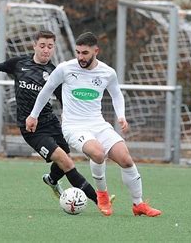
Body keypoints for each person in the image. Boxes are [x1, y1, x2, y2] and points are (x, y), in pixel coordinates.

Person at [0, 30, 100, 206]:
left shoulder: (54, 72)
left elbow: (63, 99)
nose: (46, 50)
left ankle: (51, 179)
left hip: (51, 122)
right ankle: (99, 200)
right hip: (31, 128)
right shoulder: (19, 63)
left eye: (50, 46)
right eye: (42, 46)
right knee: (65, 161)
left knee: (64, 156)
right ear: (34, 45)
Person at [26, 32, 162, 217]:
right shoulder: (65, 68)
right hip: (74, 126)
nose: (80, 57)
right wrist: (33, 116)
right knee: (98, 153)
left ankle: (138, 204)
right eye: (78, 52)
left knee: (125, 158)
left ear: (96, 51)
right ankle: (102, 195)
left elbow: (116, 94)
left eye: (85, 53)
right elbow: (46, 90)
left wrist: (121, 116)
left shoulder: (107, 72)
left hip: (98, 124)